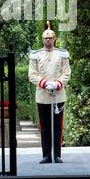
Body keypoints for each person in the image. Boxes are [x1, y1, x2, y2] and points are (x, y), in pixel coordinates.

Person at [28, 21, 71, 164]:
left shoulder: (62, 54)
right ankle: (46, 155)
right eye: (45, 38)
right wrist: (44, 83)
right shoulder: (36, 56)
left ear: (54, 39)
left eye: (50, 38)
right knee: (45, 126)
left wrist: (58, 83)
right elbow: (32, 75)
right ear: (42, 40)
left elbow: (66, 73)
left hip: (58, 95)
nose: (48, 40)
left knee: (57, 127)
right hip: (42, 95)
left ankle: (57, 155)